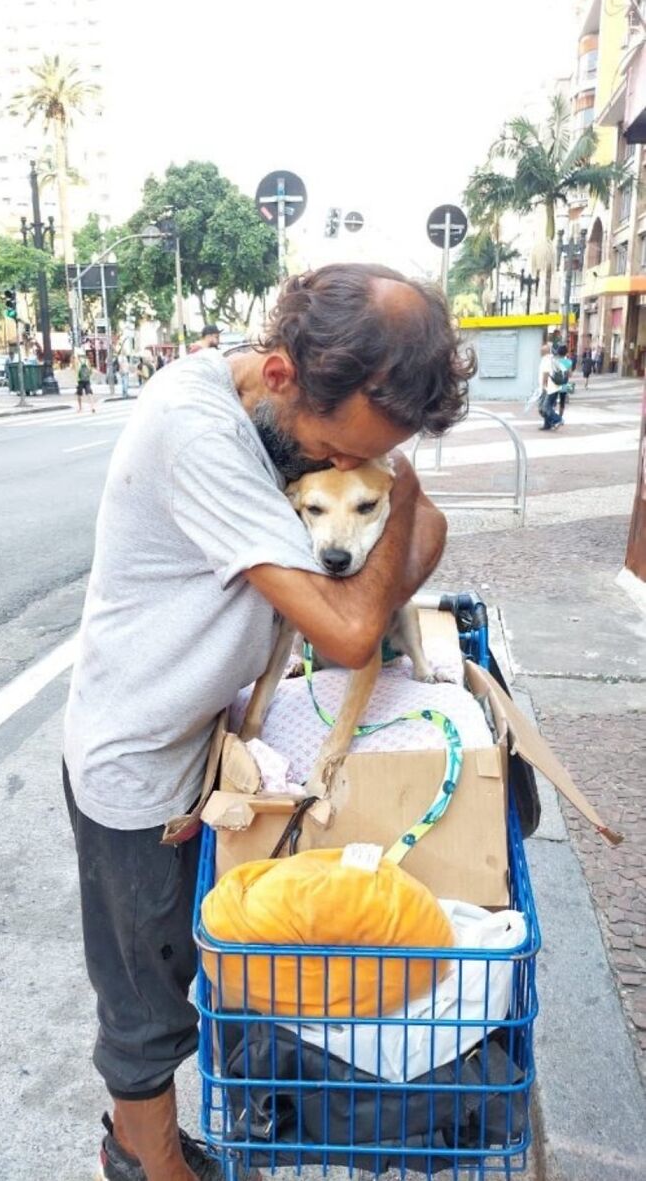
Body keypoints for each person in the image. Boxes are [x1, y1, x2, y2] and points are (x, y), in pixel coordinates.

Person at [62, 264, 475, 1181]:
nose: (338, 467)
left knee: (215, 962)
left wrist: (401, 499)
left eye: (368, 457)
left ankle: (156, 1148)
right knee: (146, 1003)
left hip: (211, 744)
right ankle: (146, 1164)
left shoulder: (299, 416)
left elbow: (430, 531)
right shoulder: (198, 431)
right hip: (133, 759)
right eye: (333, 448)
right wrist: (393, 503)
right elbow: (348, 630)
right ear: (282, 373)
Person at [538, 340, 562, 430]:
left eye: (541, 351)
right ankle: (547, 424)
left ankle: (558, 419)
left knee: (544, 407)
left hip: (549, 388)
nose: (539, 352)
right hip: (551, 388)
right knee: (544, 407)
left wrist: (544, 386)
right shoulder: (551, 359)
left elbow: (546, 373)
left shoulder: (546, 359)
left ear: (544, 352)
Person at [555, 343, 573, 422]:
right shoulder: (569, 362)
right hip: (564, 384)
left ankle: (552, 416)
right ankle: (560, 418)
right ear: (566, 352)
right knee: (562, 402)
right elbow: (570, 375)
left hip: (554, 384)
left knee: (553, 400)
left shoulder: (555, 361)